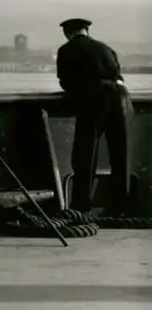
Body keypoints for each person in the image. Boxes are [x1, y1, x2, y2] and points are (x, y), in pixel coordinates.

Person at [56, 18, 133, 216]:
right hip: (121, 96)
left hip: (94, 98)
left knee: (86, 152)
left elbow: (65, 81)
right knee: (120, 152)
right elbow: (117, 74)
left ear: (68, 33)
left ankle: (81, 206)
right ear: (87, 31)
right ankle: (121, 206)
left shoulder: (67, 50)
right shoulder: (105, 48)